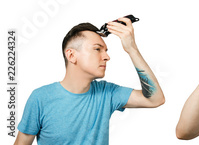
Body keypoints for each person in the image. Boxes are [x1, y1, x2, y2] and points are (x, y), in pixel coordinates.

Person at [14, 17, 165, 145]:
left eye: (106, 50)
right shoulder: (40, 98)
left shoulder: (108, 93)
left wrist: (131, 49)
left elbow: (155, 99)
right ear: (72, 55)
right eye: (97, 49)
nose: (106, 57)